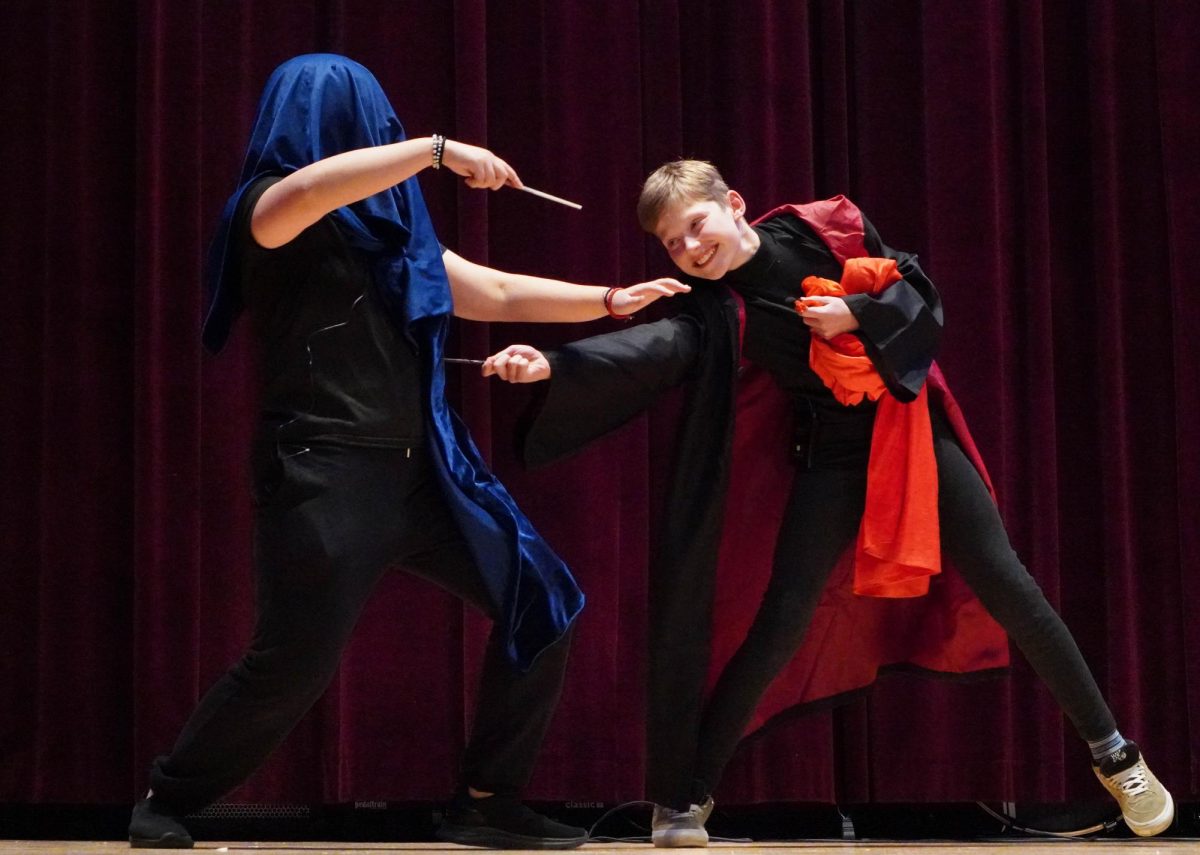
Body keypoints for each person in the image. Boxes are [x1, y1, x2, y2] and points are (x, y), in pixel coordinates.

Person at [483, 159, 1175, 845]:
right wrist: (554, 364)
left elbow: (920, 300)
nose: (691, 249)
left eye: (695, 226)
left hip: (910, 440)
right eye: (672, 244)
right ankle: (685, 795)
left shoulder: (823, 230)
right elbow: (652, 348)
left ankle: (1117, 756)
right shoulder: (718, 308)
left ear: (734, 203)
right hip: (833, 461)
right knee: (779, 625)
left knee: (1010, 587)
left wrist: (857, 311)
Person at [127, 54, 687, 850]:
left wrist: (605, 301)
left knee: (543, 599)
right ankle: (169, 794)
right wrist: (437, 150)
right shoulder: (268, 209)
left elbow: (484, 291)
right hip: (323, 471)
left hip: (424, 469)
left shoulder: (395, 229)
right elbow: (315, 189)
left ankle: (489, 798)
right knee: (292, 661)